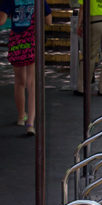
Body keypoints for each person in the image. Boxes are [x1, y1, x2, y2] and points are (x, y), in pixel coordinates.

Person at [0, 0, 52, 135]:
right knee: (32, 83)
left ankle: (21, 116)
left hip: (17, 42)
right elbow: (49, 21)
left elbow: (1, 20)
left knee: (19, 81)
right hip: (32, 41)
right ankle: (30, 123)